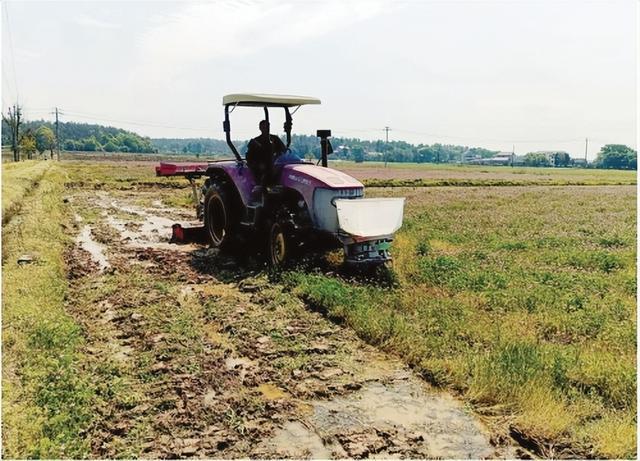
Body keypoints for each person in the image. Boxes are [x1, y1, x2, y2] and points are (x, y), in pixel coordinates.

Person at [246, 120, 287, 185]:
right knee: (265, 171)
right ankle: (262, 187)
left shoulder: (275, 139)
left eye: (267, 127)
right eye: (264, 127)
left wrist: (277, 156)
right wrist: (258, 164)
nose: (266, 129)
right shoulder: (255, 141)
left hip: (274, 163)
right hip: (261, 166)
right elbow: (249, 157)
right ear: (260, 128)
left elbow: (284, 151)